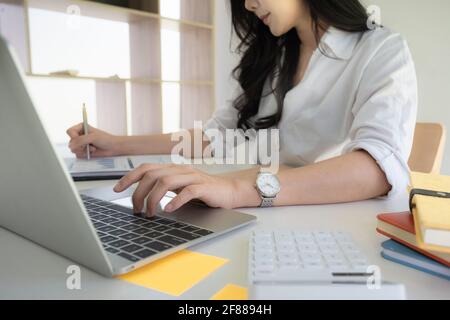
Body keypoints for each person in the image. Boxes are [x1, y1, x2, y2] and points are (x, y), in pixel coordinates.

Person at [67, 0, 417, 217]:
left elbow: (376, 167)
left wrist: (239, 190)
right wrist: (117, 144)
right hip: (243, 207)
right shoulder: (270, 58)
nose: (248, 5)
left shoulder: (381, 49)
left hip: (322, 218)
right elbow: (215, 137)